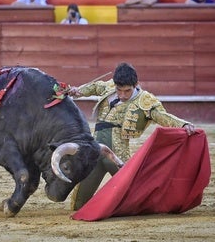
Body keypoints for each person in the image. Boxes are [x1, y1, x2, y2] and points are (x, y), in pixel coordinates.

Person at [68, 62, 196, 210]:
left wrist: (183, 124)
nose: (122, 95)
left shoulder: (145, 100)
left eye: (127, 91)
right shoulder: (110, 87)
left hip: (117, 155)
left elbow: (162, 116)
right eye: (119, 90)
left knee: (135, 199)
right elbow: (96, 86)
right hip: (95, 152)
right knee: (78, 204)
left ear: (136, 84)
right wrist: (79, 91)